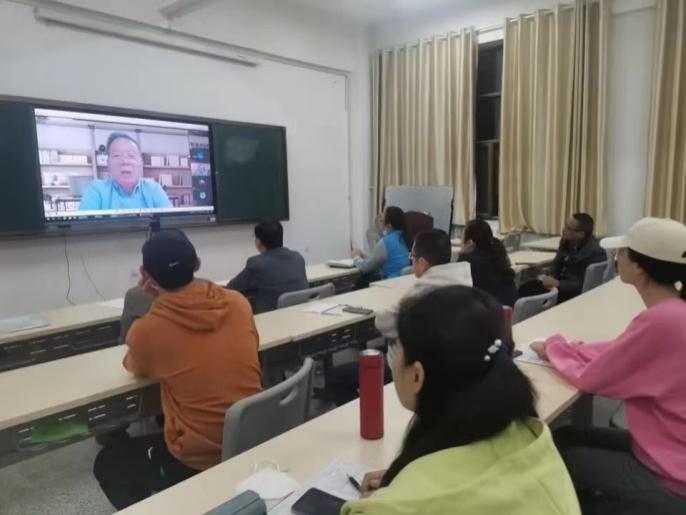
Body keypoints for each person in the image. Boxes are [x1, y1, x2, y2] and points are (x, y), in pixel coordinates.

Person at [342, 286, 581, 515]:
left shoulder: (394, 508)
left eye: (397, 348)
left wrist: (384, 502)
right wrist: (408, 480)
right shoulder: (530, 436)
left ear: (417, 375)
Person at [93, 230, 262, 510]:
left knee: (108, 463)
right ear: (197, 263)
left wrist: (157, 303)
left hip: (201, 457)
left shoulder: (148, 330)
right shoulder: (238, 303)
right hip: (254, 435)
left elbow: (135, 367)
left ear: (145, 275)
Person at [530, 217, 686, 515]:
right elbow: (620, 351)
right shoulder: (674, 311)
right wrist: (570, 347)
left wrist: (553, 348)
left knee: (556, 453)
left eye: (622, 252)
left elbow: (592, 379)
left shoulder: (662, 321)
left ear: (640, 267)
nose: (616, 258)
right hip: (669, 449)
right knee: (565, 435)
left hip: (671, 477)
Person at [375, 229, 472, 339]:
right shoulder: (463, 279)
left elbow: (383, 322)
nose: (411, 260)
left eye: (412, 256)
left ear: (422, 263)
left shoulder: (422, 292)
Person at [519, 213, 606, 303]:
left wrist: (558, 283)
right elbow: (556, 264)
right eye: (565, 225)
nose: (563, 229)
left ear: (580, 234)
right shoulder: (566, 241)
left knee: (529, 294)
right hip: (557, 286)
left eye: (568, 228)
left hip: (573, 294)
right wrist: (551, 276)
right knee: (526, 287)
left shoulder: (596, 252)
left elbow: (587, 284)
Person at [227, 220, 308, 313]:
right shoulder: (297, 257)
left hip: (271, 317)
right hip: (300, 314)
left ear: (258, 242)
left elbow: (231, 289)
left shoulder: (257, 264)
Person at [79, 133, 172, 210]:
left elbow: (171, 223)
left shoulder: (154, 189)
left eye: (131, 155)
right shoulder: (96, 190)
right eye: (117, 155)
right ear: (108, 164)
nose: (125, 161)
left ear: (141, 163)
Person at [458, 219, 518, 306]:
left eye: (462, 238)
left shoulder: (467, 261)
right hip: (509, 309)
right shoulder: (497, 254)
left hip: (491, 311)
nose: (460, 242)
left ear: (470, 243)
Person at [352, 206, 411, 283]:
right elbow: (382, 259)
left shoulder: (385, 242)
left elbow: (365, 268)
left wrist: (356, 257)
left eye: (382, 220)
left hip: (390, 283)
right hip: (404, 282)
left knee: (362, 280)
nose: (380, 222)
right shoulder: (405, 237)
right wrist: (364, 256)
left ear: (389, 225)